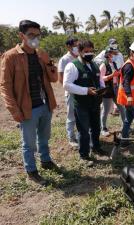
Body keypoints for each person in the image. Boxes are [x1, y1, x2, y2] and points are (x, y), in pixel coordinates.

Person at [0, 20, 58, 185]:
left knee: (44, 137)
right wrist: (14, 110)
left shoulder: (40, 55)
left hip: (45, 104)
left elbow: (54, 79)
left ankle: (46, 161)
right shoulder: (11, 56)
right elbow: (5, 86)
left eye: (38, 35)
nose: (35, 38)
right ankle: (31, 171)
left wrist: (48, 62)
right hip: (27, 109)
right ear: (21, 35)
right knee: (29, 143)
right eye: (31, 35)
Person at [63, 40, 105, 167]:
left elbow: (99, 79)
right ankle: (84, 155)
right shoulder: (73, 66)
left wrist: (102, 88)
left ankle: (96, 147)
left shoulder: (94, 64)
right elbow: (66, 85)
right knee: (84, 130)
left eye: (91, 51)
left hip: (95, 102)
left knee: (96, 127)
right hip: (81, 104)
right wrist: (85, 91)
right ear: (80, 52)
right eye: (86, 51)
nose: (89, 53)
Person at [57, 37, 79, 147]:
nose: (77, 47)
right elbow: (61, 78)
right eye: (75, 45)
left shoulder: (80, 57)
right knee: (71, 116)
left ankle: (80, 136)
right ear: (69, 47)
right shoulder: (64, 59)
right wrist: (69, 89)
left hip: (81, 92)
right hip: (71, 92)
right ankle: (71, 138)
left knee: (80, 115)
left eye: (78, 45)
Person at [100, 47, 125, 137]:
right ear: (107, 55)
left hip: (115, 88)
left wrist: (118, 73)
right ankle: (103, 128)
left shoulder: (113, 63)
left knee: (122, 108)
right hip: (107, 90)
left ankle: (125, 126)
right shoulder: (103, 65)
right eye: (111, 54)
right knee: (106, 110)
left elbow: (116, 75)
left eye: (113, 54)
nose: (113, 55)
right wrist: (111, 75)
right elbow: (101, 78)